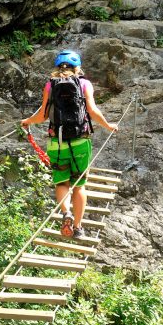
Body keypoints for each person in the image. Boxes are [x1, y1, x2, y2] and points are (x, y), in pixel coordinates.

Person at [20, 50, 118, 239]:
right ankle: (78, 228)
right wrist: (108, 125)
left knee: (62, 182)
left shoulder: (50, 85)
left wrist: (27, 121)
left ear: (57, 67)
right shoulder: (84, 84)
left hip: (57, 143)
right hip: (81, 141)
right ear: (77, 67)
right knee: (79, 186)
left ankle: (66, 213)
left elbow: (42, 115)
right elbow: (92, 110)